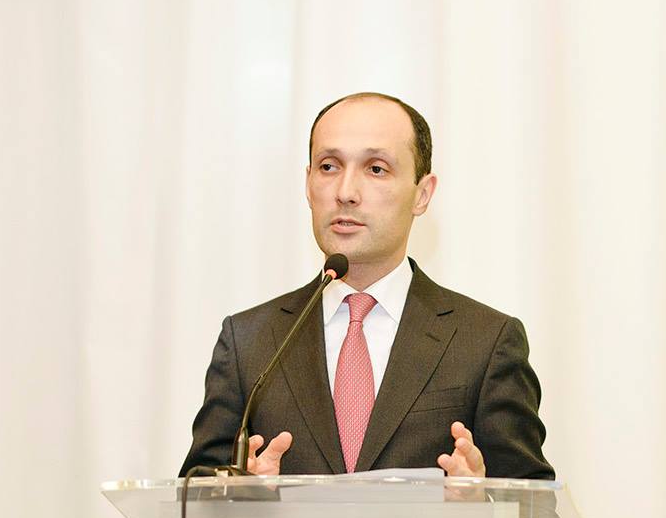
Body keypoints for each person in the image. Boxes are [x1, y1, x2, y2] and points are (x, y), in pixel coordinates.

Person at [179, 92, 553, 482]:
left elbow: (535, 508)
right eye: (328, 166)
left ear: (422, 194)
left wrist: (482, 499)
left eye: (376, 169)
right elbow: (194, 499)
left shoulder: (486, 343)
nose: (345, 192)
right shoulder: (249, 342)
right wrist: (240, 498)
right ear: (308, 184)